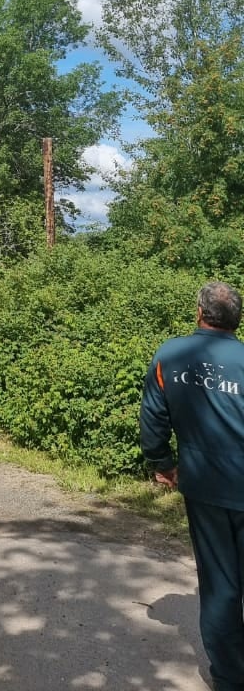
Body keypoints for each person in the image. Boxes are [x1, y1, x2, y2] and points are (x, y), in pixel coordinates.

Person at [140, 280, 244, 691]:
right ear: (236, 318)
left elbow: (153, 417)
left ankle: (230, 679)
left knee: (221, 586)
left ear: (200, 313)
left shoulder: (171, 355)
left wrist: (162, 463)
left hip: (205, 487)